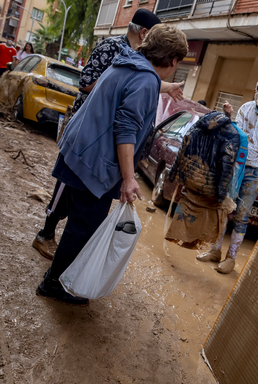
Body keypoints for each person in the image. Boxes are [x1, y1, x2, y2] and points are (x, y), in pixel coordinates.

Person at [36, 24, 188, 305]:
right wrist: (129, 179)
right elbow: (126, 129)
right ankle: (53, 283)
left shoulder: (127, 62)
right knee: (83, 227)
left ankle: (55, 269)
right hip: (94, 163)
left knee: (74, 215)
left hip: (77, 150)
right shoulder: (145, 80)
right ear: (174, 61)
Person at [198, 76, 258, 274]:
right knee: (224, 207)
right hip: (237, 166)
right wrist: (228, 116)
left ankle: (231, 258)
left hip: (257, 171)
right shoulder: (245, 108)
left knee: (241, 214)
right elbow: (233, 136)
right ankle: (215, 250)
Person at [165, 103, 243, 249]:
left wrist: (173, 174)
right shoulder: (232, 134)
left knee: (188, 210)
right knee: (208, 219)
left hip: (189, 179)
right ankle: (201, 245)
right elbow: (227, 166)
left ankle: (178, 238)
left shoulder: (197, 125)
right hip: (209, 186)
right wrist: (221, 195)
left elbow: (182, 147)